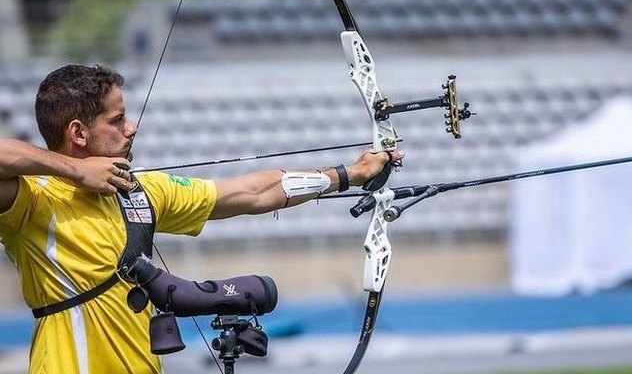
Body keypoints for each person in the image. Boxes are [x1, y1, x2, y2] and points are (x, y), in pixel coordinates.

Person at [0, 64, 403, 373]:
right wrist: (75, 171)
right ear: (78, 132)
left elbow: (250, 192)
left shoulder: (139, 191)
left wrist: (348, 175)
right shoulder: (34, 202)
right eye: (116, 119)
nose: (132, 127)